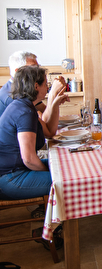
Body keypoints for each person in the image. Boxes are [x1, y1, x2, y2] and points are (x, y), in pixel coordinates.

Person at [0, 65, 68, 200]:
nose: (48, 87)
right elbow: (29, 159)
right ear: (36, 86)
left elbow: (49, 132)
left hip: (17, 170)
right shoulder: (24, 113)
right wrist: (47, 172)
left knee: (66, 163)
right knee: (68, 180)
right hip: (11, 178)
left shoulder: (23, 105)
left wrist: (54, 103)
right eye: (45, 83)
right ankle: (58, 219)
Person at [0, 51, 68, 137]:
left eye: (38, 67)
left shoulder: (27, 91)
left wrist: (55, 100)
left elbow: (45, 113)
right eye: (33, 67)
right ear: (18, 71)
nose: (37, 70)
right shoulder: (12, 96)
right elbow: (46, 128)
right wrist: (52, 95)